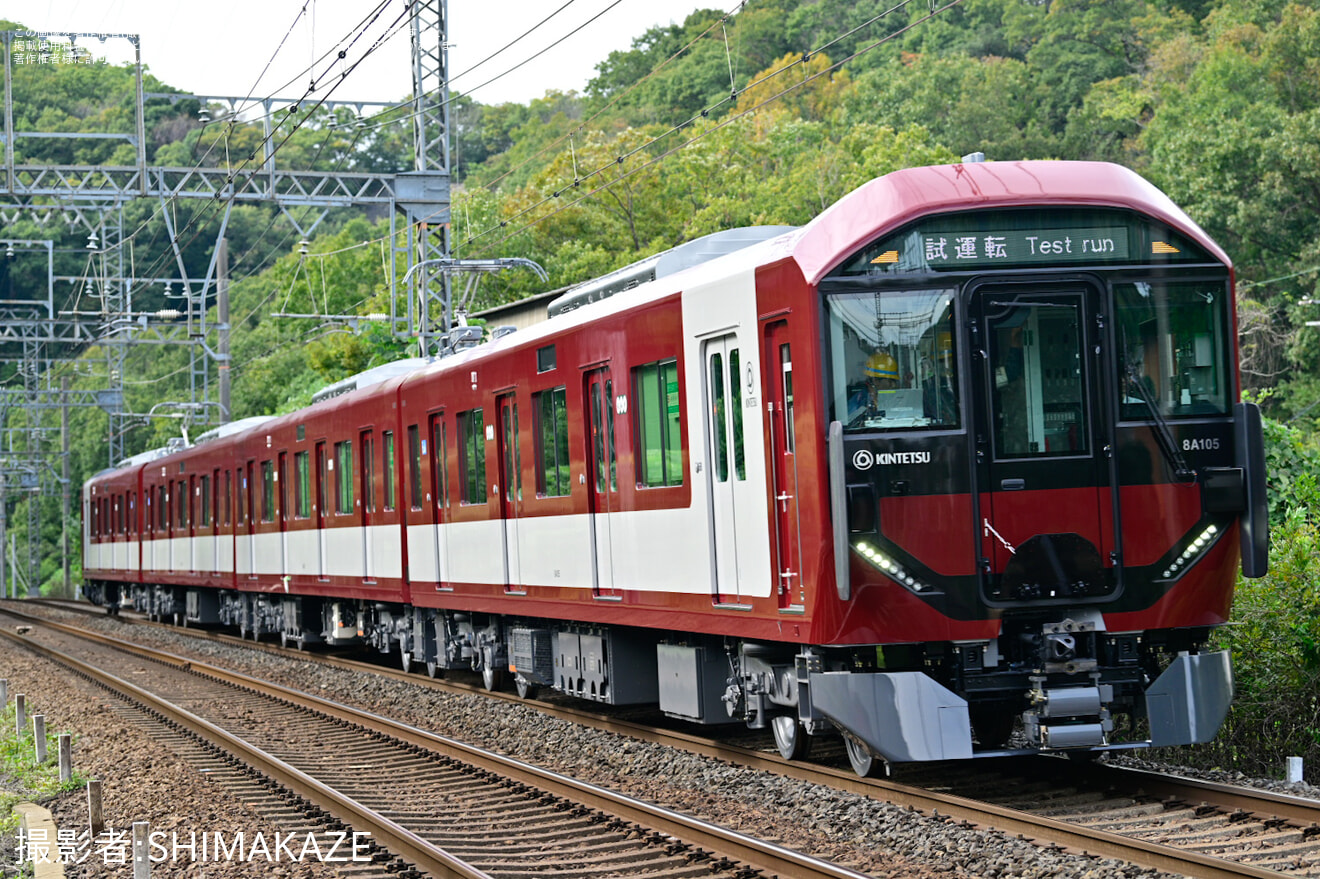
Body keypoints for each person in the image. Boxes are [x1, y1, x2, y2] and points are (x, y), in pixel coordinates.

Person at [847, 352, 899, 424]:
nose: (893, 385)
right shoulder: (858, 403)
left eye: (894, 381)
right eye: (890, 381)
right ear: (876, 381)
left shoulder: (891, 399)